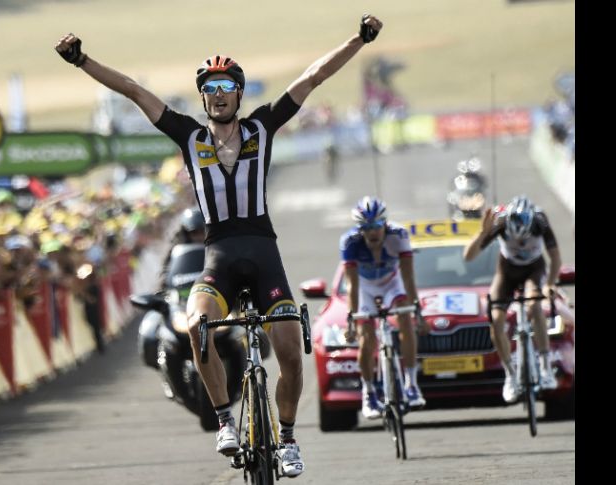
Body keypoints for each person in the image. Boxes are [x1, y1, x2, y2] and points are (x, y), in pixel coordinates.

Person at [55, 13, 383, 477]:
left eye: (226, 85)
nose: (217, 94)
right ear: (203, 96)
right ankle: (226, 420)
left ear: (239, 92)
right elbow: (131, 89)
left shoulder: (262, 128)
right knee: (196, 326)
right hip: (220, 258)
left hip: (264, 255)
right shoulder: (188, 135)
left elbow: (313, 77)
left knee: (290, 350)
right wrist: (81, 59)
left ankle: (287, 439)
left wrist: (359, 39)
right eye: (209, 87)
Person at [463, 195, 561, 403]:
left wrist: (550, 284)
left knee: (534, 305)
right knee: (496, 320)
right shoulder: (499, 222)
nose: (520, 243)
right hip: (506, 272)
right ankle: (510, 375)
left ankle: (545, 367)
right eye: (515, 239)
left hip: (534, 270)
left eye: (524, 239)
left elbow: (555, 258)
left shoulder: (540, 221)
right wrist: (482, 234)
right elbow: (468, 256)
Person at [340, 196, 425, 420]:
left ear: (385, 224)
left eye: (376, 226)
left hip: (392, 284)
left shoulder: (399, 236)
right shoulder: (349, 242)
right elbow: (351, 285)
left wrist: (417, 309)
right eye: (365, 228)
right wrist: (352, 319)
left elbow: (408, 277)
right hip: (365, 288)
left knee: (405, 319)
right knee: (366, 339)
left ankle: (411, 384)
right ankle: (368, 393)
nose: (372, 233)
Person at [157, 207, 206, 290]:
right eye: (194, 233)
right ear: (186, 233)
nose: (199, 236)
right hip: (183, 291)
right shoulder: (176, 248)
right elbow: (166, 268)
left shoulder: (215, 246)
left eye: (202, 232)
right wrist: (163, 285)